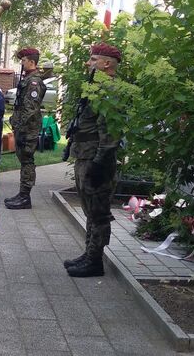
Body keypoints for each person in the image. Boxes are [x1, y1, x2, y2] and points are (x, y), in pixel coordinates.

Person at [63, 43, 123, 278]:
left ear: (106, 63)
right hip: (85, 155)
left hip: (96, 160)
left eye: (93, 59)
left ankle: (94, 260)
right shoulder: (96, 88)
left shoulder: (109, 91)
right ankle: (89, 253)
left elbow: (110, 133)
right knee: (90, 210)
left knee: (98, 212)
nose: (88, 62)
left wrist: (99, 163)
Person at [4, 48, 46, 210]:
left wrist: (21, 129)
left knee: (27, 160)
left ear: (31, 62)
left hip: (28, 129)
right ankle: (22, 194)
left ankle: (25, 196)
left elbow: (30, 109)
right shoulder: (28, 79)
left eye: (23, 60)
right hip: (23, 127)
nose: (21, 63)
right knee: (24, 160)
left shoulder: (34, 81)